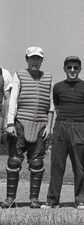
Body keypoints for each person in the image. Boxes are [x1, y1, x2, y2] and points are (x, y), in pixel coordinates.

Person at [3, 47, 53, 208]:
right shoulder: (19, 75)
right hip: (20, 124)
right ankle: (10, 199)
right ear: (27, 59)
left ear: (42, 60)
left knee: (37, 163)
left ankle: (34, 199)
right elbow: (13, 100)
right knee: (14, 161)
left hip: (40, 125)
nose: (35, 61)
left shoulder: (48, 78)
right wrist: (10, 123)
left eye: (38, 58)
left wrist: (49, 126)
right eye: (32, 58)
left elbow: (51, 106)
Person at [45, 56, 84, 209]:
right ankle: (52, 201)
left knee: (79, 166)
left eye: (75, 67)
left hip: (78, 127)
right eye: (69, 67)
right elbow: (57, 106)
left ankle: (80, 200)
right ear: (64, 69)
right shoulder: (58, 87)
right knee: (57, 165)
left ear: (80, 69)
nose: (72, 70)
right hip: (60, 125)